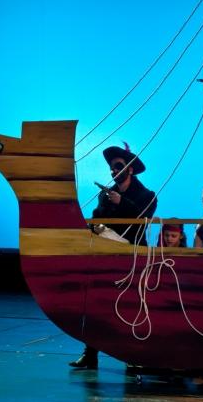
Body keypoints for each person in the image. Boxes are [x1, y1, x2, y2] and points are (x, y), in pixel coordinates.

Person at [69, 142, 157, 370]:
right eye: (111, 167)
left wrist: (122, 203)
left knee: (130, 306)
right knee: (95, 304)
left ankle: (132, 356)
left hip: (132, 257)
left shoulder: (147, 195)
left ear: (130, 169)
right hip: (105, 256)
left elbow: (143, 219)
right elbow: (97, 217)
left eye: (118, 166)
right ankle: (90, 353)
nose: (113, 170)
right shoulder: (105, 194)